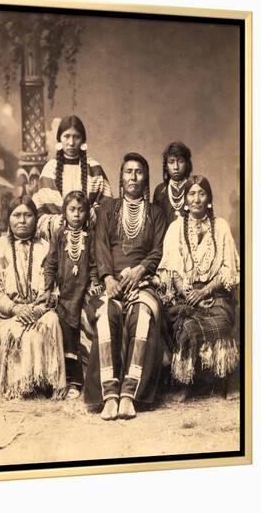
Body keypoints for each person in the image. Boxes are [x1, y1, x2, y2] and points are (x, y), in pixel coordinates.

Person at [84, 153, 167, 420]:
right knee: (107, 315)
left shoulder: (156, 212)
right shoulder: (109, 208)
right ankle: (109, 395)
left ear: (146, 178)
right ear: (121, 177)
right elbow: (100, 246)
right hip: (112, 283)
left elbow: (158, 249)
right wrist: (108, 278)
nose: (133, 176)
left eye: (139, 172)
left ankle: (130, 394)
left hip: (143, 282)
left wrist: (141, 269)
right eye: (128, 171)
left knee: (142, 314)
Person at [157, 175, 239, 398]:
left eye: (201, 193)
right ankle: (187, 382)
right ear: (185, 199)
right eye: (191, 194)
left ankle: (226, 379)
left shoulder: (220, 226)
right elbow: (172, 270)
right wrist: (189, 293)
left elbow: (228, 268)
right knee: (186, 327)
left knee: (221, 323)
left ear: (209, 198)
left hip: (215, 293)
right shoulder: (175, 228)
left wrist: (205, 291)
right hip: (186, 295)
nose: (196, 199)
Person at [0, 196, 66, 399]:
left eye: (28, 215)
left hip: (39, 310)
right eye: (16, 215)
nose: (22, 220)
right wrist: (16, 309)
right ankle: (22, 385)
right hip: (6, 315)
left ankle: (48, 382)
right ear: (8, 219)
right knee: (19, 329)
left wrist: (37, 310)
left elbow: (53, 287)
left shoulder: (46, 247)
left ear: (36, 219)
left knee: (52, 321)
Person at [40, 191, 102, 400]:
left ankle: (78, 381)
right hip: (64, 294)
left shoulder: (91, 236)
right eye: (72, 210)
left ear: (87, 213)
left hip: (82, 292)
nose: (76, 215)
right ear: (64, 212)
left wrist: (94, 283)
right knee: (65, 336)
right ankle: (62, 380)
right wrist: (48, 288)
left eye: (81, 210)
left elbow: (94, 264)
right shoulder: (58, 235)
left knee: (80, 336)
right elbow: (51, 264)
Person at [32, 115, 113, 239]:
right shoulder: (50, 169)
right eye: (66, 136)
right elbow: (39, 210)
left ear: (83, 140)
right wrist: (62, 222)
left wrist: (89, 216)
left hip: (90, 236)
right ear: (59, 139)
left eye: (76, 137)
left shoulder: (94, 168)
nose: (71, 142)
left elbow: (107, 207)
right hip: (56, 238)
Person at [153, 141, 193, 227]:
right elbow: (156, 224)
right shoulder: (160, 191)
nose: (176, 167)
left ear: (187, 164)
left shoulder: (194, 188)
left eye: (180, 161)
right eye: (171, 162)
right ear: (166, 166)